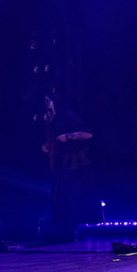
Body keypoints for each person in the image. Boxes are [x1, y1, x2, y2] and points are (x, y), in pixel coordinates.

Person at [42, 94, 101, 240]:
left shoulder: (67, 116)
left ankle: (70, 230)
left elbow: (88, 134)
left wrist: (68, 136)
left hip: (73, 166)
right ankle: (60, 228)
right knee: (57, 196)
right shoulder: (49, 119)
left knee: (70, 196)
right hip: (60, 164)